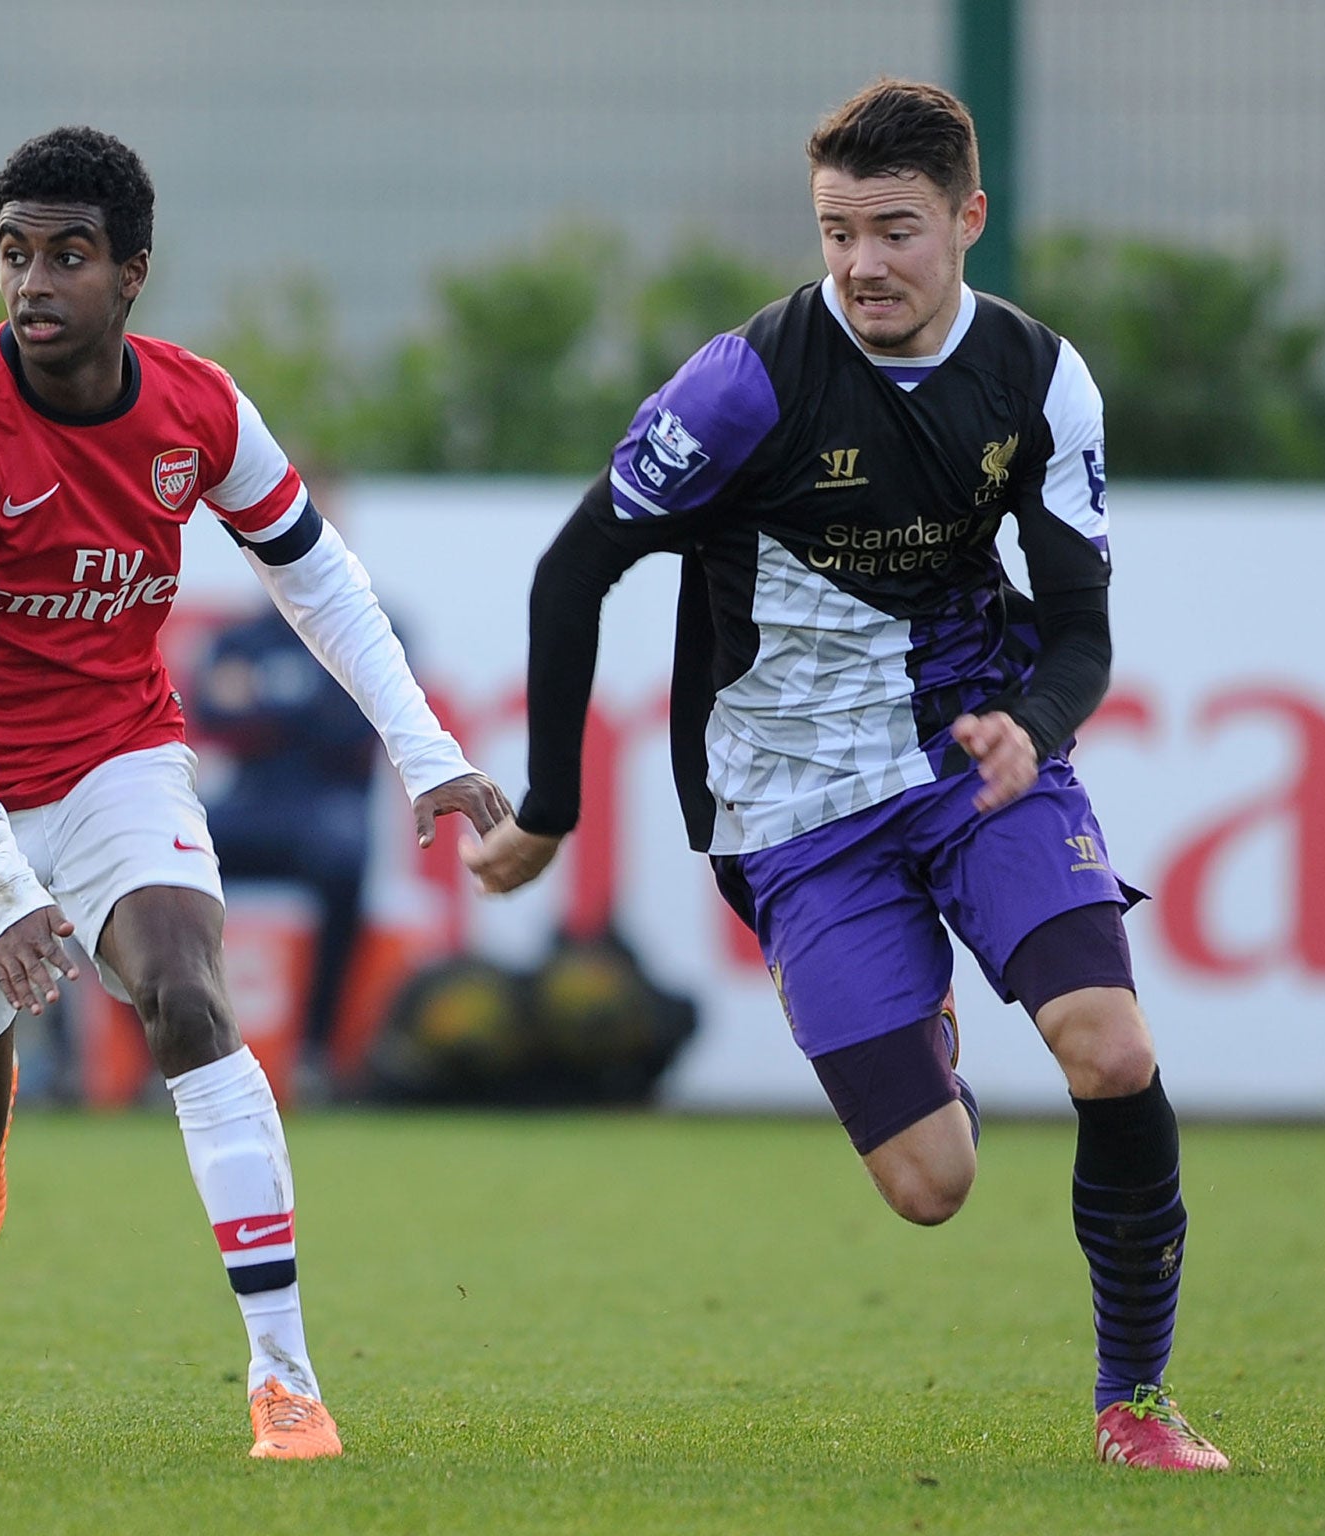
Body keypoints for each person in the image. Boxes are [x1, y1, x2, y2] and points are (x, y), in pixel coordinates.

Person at [464, 79, 1228, 1473]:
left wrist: (1035, 727)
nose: (863, 265)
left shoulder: (1040, 379)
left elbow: (1080, 627)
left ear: (967, 221)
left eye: (895, 231)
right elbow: (578, 564)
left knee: (1111, 1048)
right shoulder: (745, 382)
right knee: (930, 1187)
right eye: (836, 233)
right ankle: (921, 1036)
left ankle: (1137, 1402)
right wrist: (553, 810)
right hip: (794, 808)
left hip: (970, 756)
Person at [0, 126, 508, 1460]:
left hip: (114, 758)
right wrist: (5, 889)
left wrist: (423, 746)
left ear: (132, 272)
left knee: (191, 993)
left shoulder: (198, 411)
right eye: (15, 254)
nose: (33, 284)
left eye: (67, 256)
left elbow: (316, 576)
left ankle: (284, 1379)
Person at [187, 590, 380, 1091]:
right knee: (157, 856)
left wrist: (262, 700)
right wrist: (312, 701)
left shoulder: (366, 624)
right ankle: (173, 1047)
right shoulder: (243, 634)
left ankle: (317, 1050)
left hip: (326, 801)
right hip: (253, 799)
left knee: (344, 861)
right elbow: (209, 711)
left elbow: (358, 725)